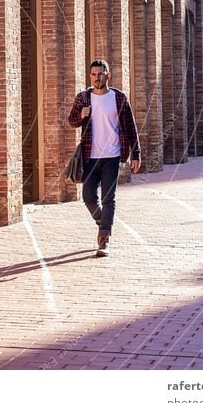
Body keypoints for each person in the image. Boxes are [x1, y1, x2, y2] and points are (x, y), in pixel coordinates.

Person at [68, 60, 141, 257]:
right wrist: (81, 115)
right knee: (88, 196)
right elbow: (71, 121)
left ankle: (104, 238)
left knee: (109, 198)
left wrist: (136, 154)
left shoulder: (118, 98)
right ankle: (104, 221)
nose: (96, 78)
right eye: (93, 74)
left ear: (108, 75)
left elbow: (130, 127)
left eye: (100, 74)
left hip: (112, 156)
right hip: (90, 157)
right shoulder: (83, 98)